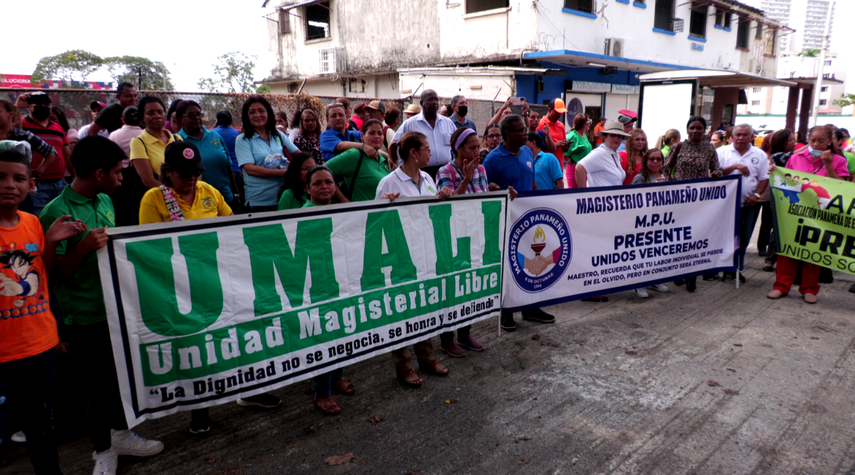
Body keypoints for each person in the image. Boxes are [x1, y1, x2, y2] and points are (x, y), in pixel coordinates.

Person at [40, 136, 164, 475]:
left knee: (118, 379)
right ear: (98, 174)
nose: (121, 179)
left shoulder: (106, 199)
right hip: (84, 316)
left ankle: (121, 435)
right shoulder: (55, 213)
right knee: (96, 387)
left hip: (116, 309)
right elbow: (52, 276)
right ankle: (102, 451)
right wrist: (82, 249)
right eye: (118, 172)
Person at [0, 141, 85, 475]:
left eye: (18, 178)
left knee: (42, 427)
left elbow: (43, 276)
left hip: (40, 346)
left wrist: (51, 242)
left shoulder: (33, 223)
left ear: (30, 184)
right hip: (3, 356)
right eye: (1, 177)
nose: (10, 185)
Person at [137, 141, 234, 433]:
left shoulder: (210, 191)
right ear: (167, 172)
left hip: (215, 278)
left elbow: (232, 226)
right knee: (194, 346)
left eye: (196, 172)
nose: (192, 178)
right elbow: (150, 247)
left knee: (229, 336)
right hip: (180, 286)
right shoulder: (154, 198)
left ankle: (247, 389)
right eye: (184, 173)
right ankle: (199, 410)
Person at [374, 131, 453, 387]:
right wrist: (383, 204)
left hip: (426, 255)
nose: (431, 152)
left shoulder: (428, 178)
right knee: (401, 311)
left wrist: (442, 197)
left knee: (424, 307)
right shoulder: (389, 183)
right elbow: (375, 223)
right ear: (413, 153)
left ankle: (426, 357)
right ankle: (403, 365)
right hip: (401, 259)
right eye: (427, 148)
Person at [484, 115, 555, 331]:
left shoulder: (526, 152)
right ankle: (506, 310)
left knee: (533, 263)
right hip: (505, 223)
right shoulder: (492, 160)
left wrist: (537, 204)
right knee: (509, 266)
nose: (526, 133)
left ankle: (530, 307)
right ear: (507, 134)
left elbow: (532, 181)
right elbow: (485, 192)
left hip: (528, 221)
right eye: (521, 130)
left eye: (525, 129)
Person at [297, 164, 357, 413]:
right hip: (316, 288)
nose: (324, 187)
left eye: (329, 182)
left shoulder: (339, 211)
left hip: (339, 283)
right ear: (308, 189)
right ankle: (321, 392)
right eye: (318, 183)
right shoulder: (301, 217)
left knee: (339, 331)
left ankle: (336, 377)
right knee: (323, 337)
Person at [767, 125, 849, 304]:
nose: (816, 144)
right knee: (788, 249)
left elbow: (841, 187)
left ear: (830, 141)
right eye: (813, 140)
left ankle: (809, 288)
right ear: (808, 140)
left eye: (821, 141)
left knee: (814, 250)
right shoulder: (795, 158)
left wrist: (828, 164)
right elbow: (787, 180)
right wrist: (775, 173)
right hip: (795, 211)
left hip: (821, 214)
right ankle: (781, 286)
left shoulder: (838, 160)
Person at [434, 127, 488, 357]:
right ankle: (447, 338)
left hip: (474, 236)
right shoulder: (445, 171)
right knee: (450, 288)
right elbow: (447, 203)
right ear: (459, 149)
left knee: (469, 285)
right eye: (471, 148)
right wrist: (465, 179)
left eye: (478, 147)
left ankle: (465, 332)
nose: (477, 151)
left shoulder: (481, 169)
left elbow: (485, 199)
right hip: (453, 239)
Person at [666, 116, 723, 293]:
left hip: (700, 200)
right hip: (679, 198)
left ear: (704, 130)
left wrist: (717, 173)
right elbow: (665, 167)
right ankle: (678, 271)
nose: (695, 131)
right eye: (692, 128)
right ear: (687, 130)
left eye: (699, 128)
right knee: (679, 236)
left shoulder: (709, 148)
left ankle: (692, 275)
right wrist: (671, 183)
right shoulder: (678, 147)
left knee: (695, 236)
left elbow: (717, 168)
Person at [715, 124, 769, 283]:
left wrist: (756, 195)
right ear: (732, 136)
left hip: (747, 205)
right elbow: (713, 174)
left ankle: (736, 269)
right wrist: (735, 166)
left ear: (752, 137)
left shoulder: (759, 155)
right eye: (738, 134)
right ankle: (721, 267)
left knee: (743, 239)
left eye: (745, 135)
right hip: (723, 205)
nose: (741, 138)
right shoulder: (721, 152)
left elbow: (764, 178)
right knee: (723, 238)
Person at [236, 95, 298, 212]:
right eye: (252, 112)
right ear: (246, 116)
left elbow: (298, 154)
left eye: (261, 111)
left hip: (284, 198)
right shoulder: (242, 140)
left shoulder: (278, 135)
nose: (257, 115)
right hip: (259, 202)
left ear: (268, 112)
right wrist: (284, 173)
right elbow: (250, 169)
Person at [0, 100, 59, 215]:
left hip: (20, 195)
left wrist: (38, 171)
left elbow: (51, 152)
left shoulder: (24, 136)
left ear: (10, 114)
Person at [175, 100, 237, 208]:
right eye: (191, 115)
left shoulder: (215, 135)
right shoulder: (178, 141)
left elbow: (228, 166)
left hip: (226, 197)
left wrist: (236, 193)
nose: (197, 118)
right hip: (199, 203)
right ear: (180, 119)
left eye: (199, 114)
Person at [21, 93, 71, 216]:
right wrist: (18, 107)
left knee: (62, 216)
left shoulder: (58, 128)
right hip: (36, 184)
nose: (44, 107)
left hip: (60, 182)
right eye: (39, 104)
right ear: (29, 107)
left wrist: (76, 177)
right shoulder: (22, 125)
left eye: (47, 105)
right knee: (38, 218)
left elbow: (67, 154)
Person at [389, 89, 457, 178]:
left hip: (446, 172)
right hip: (420, 172)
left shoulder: (448, 123)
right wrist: (404, 168)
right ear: (421, 103)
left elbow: (457, 146)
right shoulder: (410, 124)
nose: (434, 102)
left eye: (436, 99)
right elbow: (395, 145)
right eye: (429, 100)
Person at [326, 119, 392, 202]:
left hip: (384, 209)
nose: (377, 136)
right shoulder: (355, 155)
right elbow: (323, 170)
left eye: (380, 133)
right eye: (372, 133)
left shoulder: (384, 160)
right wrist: (342, 199)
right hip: (361, 209)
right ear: (362, 136)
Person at [129, 96, 181, 190]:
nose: (157, 116)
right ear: (142, 117)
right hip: (158, 195)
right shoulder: (138, 142)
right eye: (151, 113)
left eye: (160, 112)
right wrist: (175, 192)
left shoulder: (177, 139)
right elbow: (148, 181)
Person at [763, 129, 796, 272]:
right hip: (781, 197)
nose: (794, 142)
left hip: (794, 196)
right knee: (778, 227)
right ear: (782, 142)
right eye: (791, 140)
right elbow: (792, 155)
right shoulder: (777, 157)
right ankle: (770, 258)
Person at [576, 120, 629, 189]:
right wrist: (584, 193)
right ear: (605, 137)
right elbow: (579, 167)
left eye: (619, 136)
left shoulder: (614, 154)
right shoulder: (600, 153)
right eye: (612, 135)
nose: (616, 138)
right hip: (598, 195)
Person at [213, 110, 243, 205]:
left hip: (221, 170)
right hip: (236, 169)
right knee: (236, 198)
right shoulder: (236, 133)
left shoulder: (213, 134)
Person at [537, 98, 570, 169]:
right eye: (557, 113)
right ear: (549, 110)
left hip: (559, 166)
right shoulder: (541, 124)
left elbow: (564, 143)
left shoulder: (561, 125)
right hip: (545, 166)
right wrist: (557, 144)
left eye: (561, 113)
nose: (559, 115)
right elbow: (538, 147)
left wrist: (565, 147)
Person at [565, 113, 592, 188]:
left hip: (585, 169)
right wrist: (567, 158)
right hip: (575, 170)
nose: (590, 124)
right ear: (584, 125)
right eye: (589, 122)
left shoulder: (584, 135)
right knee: (575, 192)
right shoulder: (572, 136)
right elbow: (562, 149)